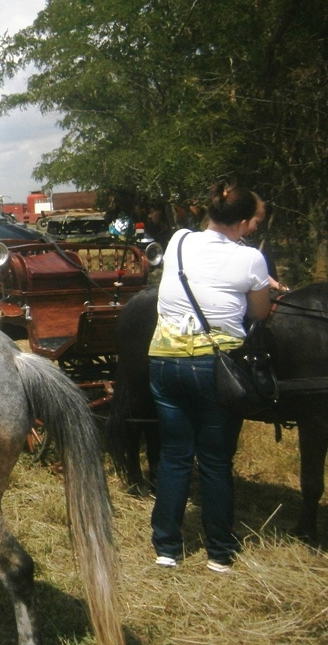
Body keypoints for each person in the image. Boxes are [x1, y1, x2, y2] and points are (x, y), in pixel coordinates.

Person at [148, 182, 271, 573]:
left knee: (175, 456)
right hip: (213, 367)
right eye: (254, 221)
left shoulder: (179, 240)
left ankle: (166, 547)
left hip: (164, 361)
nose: (254, 228)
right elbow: (259, 313)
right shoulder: (252, 259)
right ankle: (219, 552)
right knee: (216, 462)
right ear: (242, 222)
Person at [242, 195, 287, 292]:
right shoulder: (242, 250)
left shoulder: (242, 242)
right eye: (256, 222)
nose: (256, 228)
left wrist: (277, 285)